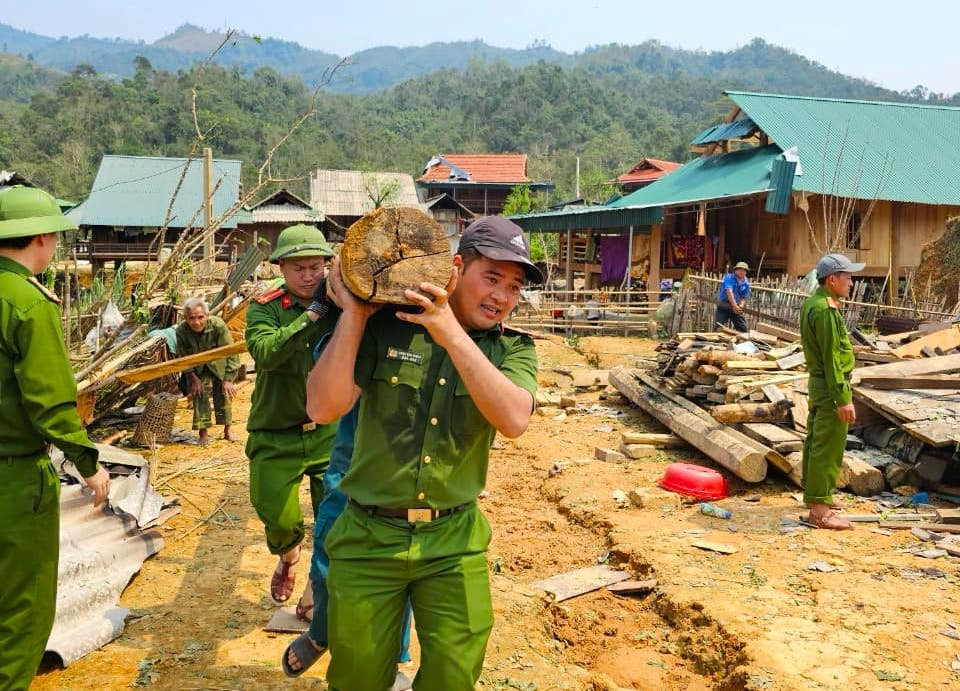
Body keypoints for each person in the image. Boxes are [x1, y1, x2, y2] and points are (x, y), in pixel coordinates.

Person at [306, 215, 540, 690]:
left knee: (455, 675)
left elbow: (514, 419)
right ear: (455, 269)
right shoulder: (386, 329)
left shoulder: (511, 351)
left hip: (454, 543)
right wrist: (353, 315)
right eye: (491, 278)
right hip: (369, 538)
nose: (501, 297)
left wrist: (448, 330)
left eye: (514, 288)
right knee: (357, 677)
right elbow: (323, 407)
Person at [0, 185, 110, 690]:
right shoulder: (26, 301)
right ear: (42, 238)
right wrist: (88, 463)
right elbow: (48, 402)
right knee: (22, 607)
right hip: (14, 478)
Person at [281, 404, 414, 691]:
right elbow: (322, 402)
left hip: (411, 468)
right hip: (353, 459)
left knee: (403, 559)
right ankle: (321, 631)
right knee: (331, 550)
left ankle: (391, 656)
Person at [244, 224, 339, 611]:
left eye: (315, 267)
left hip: (328, 432)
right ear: (280, 268)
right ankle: (288, 553)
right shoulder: (265, 307)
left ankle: (317, 589)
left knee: (335, 521)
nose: (308, 275)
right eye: (298, 267)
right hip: (276, 431)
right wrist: (311, 318)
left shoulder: (342, 304)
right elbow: (266, 353)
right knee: (277, 516)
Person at [799, 253, 865, 530]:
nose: (851, 282)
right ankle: (820, 512)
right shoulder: (825, 310)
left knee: (816, 442)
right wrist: (843, 397)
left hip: (819, 384)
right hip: (829, 387)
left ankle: (817, 495)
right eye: (848, 277)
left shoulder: (814, 303)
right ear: (832, 279)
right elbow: (831, 358)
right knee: (827, 448)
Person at [175, 297, 240, 445]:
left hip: (218, 365)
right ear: (186, 318)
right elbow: (183, 358)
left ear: (207, 315)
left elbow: (231, 351)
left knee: (224, 394)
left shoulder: (218, 325)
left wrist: (228, 379)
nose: (196, 322)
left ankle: (227, 430)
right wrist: (192, 378)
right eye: (191, 318)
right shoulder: (181, 331)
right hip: (196, 368)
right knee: (198, 393)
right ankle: (203, 433)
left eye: (200, 317)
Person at [715, 261, 751, 332]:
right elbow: (729, 292)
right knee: (719, 327)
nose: (742, 272)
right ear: (735, 270)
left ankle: (742, 342)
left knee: (742, 328)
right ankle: (713, 342)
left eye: (744, 270)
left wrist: (740, 306)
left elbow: (743, 297)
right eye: (740, 270)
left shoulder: (746, 283)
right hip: (724, 305)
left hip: (736, 307)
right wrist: (734, 306)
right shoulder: (729, 277)